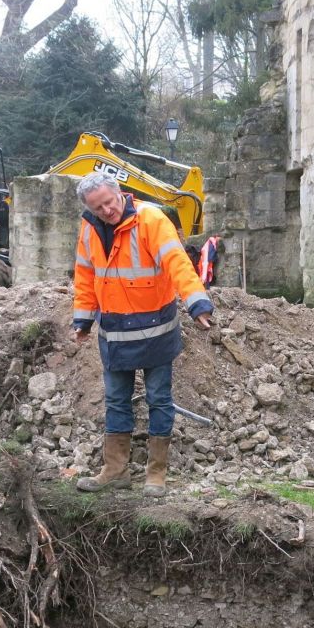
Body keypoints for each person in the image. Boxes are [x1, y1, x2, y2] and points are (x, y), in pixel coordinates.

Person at [71, 173, 213, 498]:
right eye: (98, 208)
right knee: (115, 401)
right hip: (114, 332)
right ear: (89, 209)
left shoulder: (151, 219)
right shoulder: (89, 228)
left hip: (156, 330)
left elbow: (178, 263)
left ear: (120, 192)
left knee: (158, 399)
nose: (107, 211)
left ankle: (156, 473)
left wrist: (197, 303)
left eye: (109, 202)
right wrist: (83, 320)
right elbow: (85, 275)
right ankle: (115, 471)